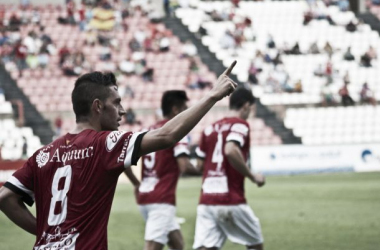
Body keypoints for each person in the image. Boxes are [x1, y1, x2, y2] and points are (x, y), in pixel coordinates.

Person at [0, 62, 238, 249]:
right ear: (98, 106)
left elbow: (5, 198)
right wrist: (212, 97)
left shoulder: (43, 154)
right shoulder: (105, 144)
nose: (123, 110)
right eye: (117, 103)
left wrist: (46, 232)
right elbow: (167, 135)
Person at [125, 90, 200, 250]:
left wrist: (136, 184)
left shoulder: (148, 130)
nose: (188, 112)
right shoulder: (176, 131)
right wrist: (205, 170)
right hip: (161, 199)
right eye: (185, 108)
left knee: (177, 244)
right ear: (175, 110)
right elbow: (184, 166)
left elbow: (122, 160)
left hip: (145, 197)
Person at [193, 87, 265, 250]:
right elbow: (230, 150)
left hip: (207, 198)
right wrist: (253, 176)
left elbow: (199, 165)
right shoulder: (241, 125)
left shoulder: (209, 129)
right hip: (230, 198)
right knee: (255, 243)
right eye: (252, 108)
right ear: (246, 105)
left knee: (206, 247)